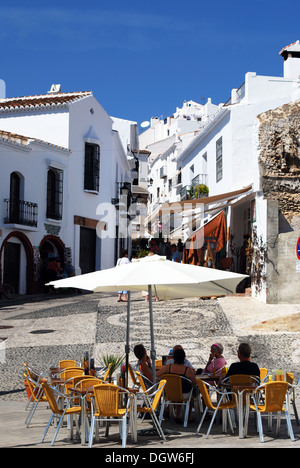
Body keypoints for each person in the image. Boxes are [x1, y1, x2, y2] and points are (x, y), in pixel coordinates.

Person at [156, 348, 197, 422]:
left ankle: (177, 414)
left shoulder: (168, 367)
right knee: (191, 391)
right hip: (184, 395)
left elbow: (156, 375)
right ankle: (189, 416)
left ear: (173, 358)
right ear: (184, 358)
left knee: (177, 389)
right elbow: (194, 382)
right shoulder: (188, 370)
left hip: (169, 394)